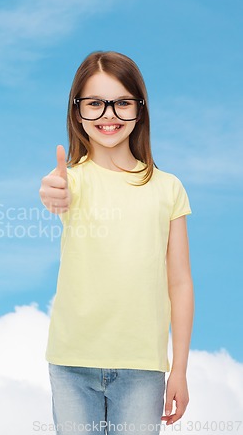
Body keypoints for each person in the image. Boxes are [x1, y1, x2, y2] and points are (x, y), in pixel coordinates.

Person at [39, 51, 194, 435]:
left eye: (122, 102)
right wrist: (53, 193)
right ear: (77, 112)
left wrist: (180, 369)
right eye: (95, 104)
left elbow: (180, 283)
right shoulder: (71, 182)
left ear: (140, 110)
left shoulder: (168, 188)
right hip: (72, 361)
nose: (109, 115)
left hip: (143, 367)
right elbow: (54, 194)